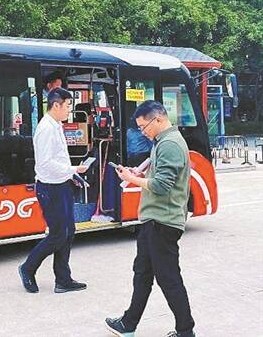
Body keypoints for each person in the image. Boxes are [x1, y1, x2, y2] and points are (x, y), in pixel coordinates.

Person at [105, 100, 196, 337]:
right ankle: (128, 323)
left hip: (162, 222)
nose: (142, 132)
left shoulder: (170, 144)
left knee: (168, 278)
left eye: (143, 127)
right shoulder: (162, 141)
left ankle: (186, 331)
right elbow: (159, 173)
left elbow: (162, 185)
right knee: (142, 273)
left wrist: (130, 179)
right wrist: (138, 172)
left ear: (158, 119)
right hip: (154, 220)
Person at [18, 87, 88, 294]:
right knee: (58, 235)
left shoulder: (56, 125)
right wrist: (73, 169)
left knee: (69, 232)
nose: (69, 110)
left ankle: (63, 279)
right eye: (67, 106)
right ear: (56, 105)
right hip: (50, 188)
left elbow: (59, 158)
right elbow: (46, 163)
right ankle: (28, 268)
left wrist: (71, 175)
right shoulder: (46, 128)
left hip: (62, 184)